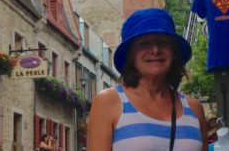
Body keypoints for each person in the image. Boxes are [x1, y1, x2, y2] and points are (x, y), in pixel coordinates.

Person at [87, 8, 208, 151]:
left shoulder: (194, 109)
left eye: (163, 42)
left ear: (174, 53)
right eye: (144, 43)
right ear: (130, 55)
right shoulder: (108, 102)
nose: (155, 49)